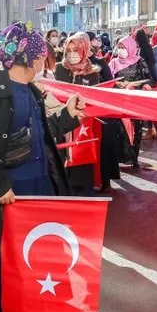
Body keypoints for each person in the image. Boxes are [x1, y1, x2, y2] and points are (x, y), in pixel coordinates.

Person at [0, 22, 84, 312]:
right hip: (5, 191)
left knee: (38, 252)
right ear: (30, 59)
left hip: (40, 185)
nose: (45, 63)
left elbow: (42, 133)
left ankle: (32, 309)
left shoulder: (31, 90)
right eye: (42, 57)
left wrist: (69, 115)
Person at [55, 32, 110, 193]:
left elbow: (95, 99)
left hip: (83, 127)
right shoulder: (58, 69)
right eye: (69, 50)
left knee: (82, 169)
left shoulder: (92, 71)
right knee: (63, 171)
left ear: (84, 50)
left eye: (76, 50)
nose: (72, 54)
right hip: (61, 123)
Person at [110, 35, 153, 168]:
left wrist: (136, 85)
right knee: (120, 129)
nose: (121, 50)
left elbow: (148, 79)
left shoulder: (139, 61)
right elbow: (108, 81)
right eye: (119, 47)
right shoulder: (113, 63)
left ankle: (133, 158)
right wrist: (119, 84)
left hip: (135, 100)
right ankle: (121, 157)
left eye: (123, 47)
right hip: (119, 100)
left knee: (137, 129)